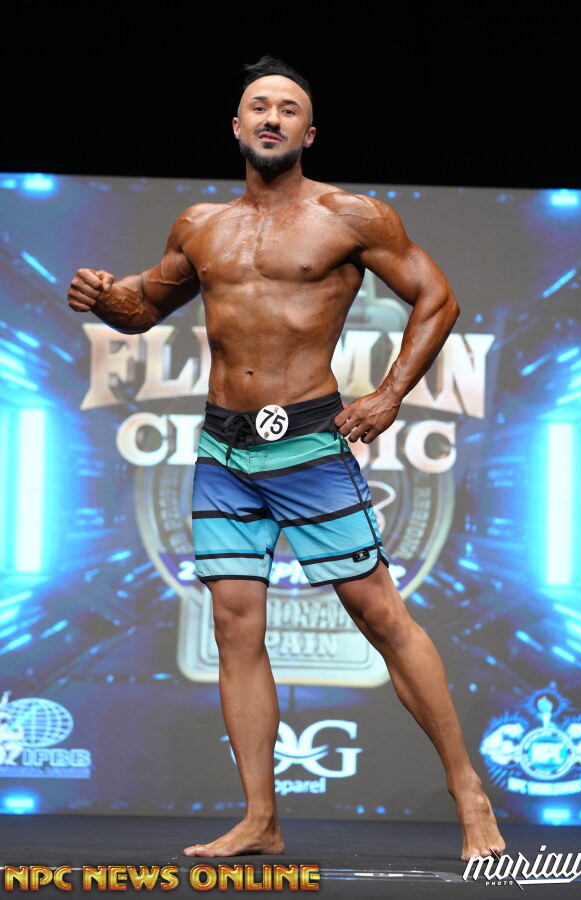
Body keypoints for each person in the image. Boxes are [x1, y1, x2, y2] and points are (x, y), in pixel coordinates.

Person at [68, 54, 506, 863]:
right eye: (259, 106)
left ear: (309, 133)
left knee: (379, 614)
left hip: (306, 440)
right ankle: (260, 819)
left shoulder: (351, 216)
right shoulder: (200, 225)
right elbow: (143, 307)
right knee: (235, 628)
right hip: (221, 448)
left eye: (288, 109)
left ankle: (467, 790)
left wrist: (390, 395)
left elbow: (437, 298)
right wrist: (104, 298)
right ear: (237, 126)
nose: (272, 117)